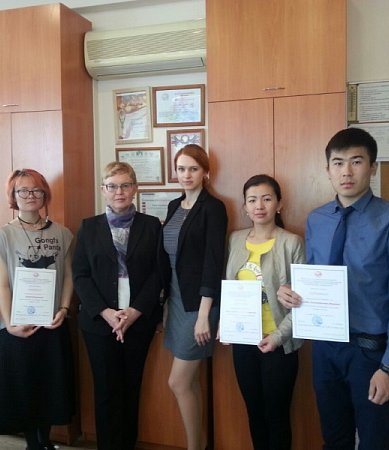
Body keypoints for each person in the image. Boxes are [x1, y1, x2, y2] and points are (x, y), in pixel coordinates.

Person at [278, 127, 389, 450]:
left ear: (373, 167)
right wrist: (290, 290)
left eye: (356, 162)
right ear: (327, 169)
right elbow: (315, 277)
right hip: (325, 347)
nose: (346, 172)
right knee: (334, 438)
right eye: (338, 163)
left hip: (370, 353)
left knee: (373, 440)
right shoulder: (317, 219)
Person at [73, 162, 163, 450]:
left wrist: (134, 312)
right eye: (112, 186)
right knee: (105, 392)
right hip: (99, 323)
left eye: (125, 185)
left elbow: (159, 273)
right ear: (103, 190)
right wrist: (107, 313)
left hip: (139, 321)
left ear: (135, 188)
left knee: (131, 388)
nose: (119, 191)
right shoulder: (89, 227)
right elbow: (80, 275)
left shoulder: (151, 225)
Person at [0, 169, 75, 450]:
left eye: (36, 190)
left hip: (52, 322)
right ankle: (33, 445)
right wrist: (10, 323)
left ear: (45, 193)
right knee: (24, 389)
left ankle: (44, 442)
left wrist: (64, 309)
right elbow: (3, 285)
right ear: (13, 196)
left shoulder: (62, 233)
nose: (30, 195)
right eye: (22, 191)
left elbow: (69, 277)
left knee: (49, 388)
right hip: (18, 326)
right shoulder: (2, 236)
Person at [225, 174, 304, 450]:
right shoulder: (235, 240)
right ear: (245, 206)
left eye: (267, 199)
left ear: (279, 204)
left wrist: (277, 338)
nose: (259, 206)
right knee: (254, 414)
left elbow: (302, 301)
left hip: (279, 344)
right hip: (244, 343)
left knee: (276, 417)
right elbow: (229, 289)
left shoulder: (292, 243)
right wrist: (226, 323)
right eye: (252, 200)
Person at [160, 144, 228, 450]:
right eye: (181, 168)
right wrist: (164, 302)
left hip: (199, 304)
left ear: (206, 172)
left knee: (177, 381)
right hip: (176, 298)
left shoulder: (213, 208)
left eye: (193, 168)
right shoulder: (174, 205)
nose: (186, 174)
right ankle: (199, 445)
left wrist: (203, 316)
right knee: (189, 383)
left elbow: (213, 263)